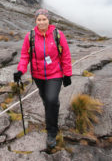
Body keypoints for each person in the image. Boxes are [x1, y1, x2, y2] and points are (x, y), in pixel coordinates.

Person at [14, 8, 72, 148]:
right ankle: (53, 110)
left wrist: (67, 74)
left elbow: (65, 55)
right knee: (47, 101)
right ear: (36, 21)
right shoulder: (30, 36)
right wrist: (20, 71)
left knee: (51, 100)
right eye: (39, 19)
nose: (41, 22)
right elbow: (24, 56)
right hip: (38, 76)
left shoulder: (58, 34)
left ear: (48, 20)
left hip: (55, 74)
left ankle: (52, 132)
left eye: (44, 19)